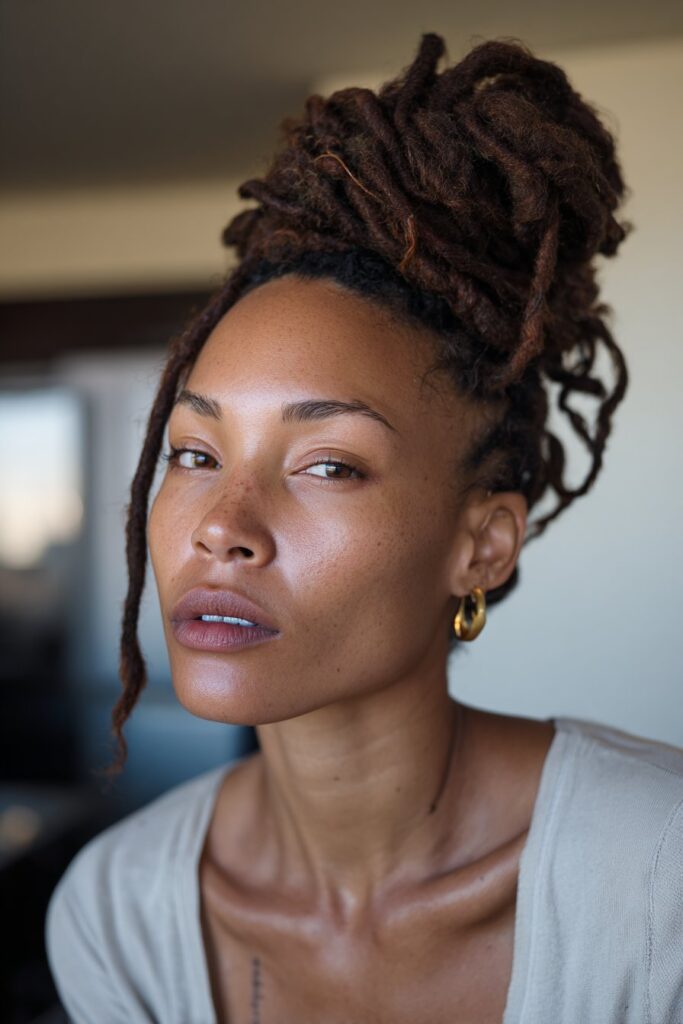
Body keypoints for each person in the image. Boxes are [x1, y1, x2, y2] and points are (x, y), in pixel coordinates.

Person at [45, 32, 683, 1024]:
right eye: (194, 452)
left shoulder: (658, 879)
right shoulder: (114, 911)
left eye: (328, 464)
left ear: (483, 543)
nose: (221, 528)